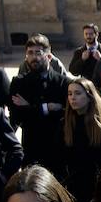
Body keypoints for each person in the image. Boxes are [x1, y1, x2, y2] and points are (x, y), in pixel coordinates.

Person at [56, 76, 101, 202]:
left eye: (78, 93)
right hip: (72, 189)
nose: (73, 98)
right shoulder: (64, 124)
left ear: (89, 96)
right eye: (70, 94)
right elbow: (58, 157)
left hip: (99, 188)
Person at [7, 35, 69, 168]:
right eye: (30, 53)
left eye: (38, 53)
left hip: (58, 148)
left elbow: (65, 114)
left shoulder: (64, 83)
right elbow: (17, 116)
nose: (34, 57)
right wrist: (46, 108)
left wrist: (28, 107)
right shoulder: (18, 83)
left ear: (49, 56)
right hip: (31, 148)